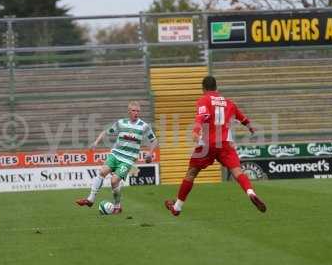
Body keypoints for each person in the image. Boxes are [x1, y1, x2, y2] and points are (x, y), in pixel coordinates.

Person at [165, 76, 267, 216]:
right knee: (237, 171)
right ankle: (250, 192)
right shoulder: (228, 102)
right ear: (216, 88)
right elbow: (241, 117)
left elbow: (200, 117)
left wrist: (195, 132)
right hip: (225, 143)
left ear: (203, 89)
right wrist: (250, 127)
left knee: (191, 173)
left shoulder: (204, 100)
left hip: (207, 144)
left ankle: (177, 207)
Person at [76, 101, 158, 214]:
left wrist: (150, 153)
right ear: (129, 111)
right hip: (115, 154)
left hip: (128, 159)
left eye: (138, 111)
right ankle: (90, 200)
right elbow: (106, 131)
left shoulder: (144, 126)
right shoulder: (121, 123)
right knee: (102, 172)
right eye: (134, 110)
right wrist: (95, 142)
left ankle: (117, 205)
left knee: (114, 181)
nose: (136, 113)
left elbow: (154, 140)